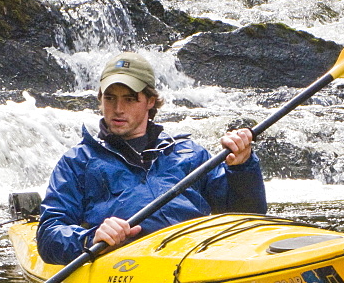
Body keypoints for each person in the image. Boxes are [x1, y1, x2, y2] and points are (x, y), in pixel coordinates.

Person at [36, 51, 267, 265]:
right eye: (110, 98)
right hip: (129, 264)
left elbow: (248, 216)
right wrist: (89, 239)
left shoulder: (190, 153)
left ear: (150, 101)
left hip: (194, 256)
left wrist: (242, 166)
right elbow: (49, 234)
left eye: (129, 99)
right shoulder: (78, 161)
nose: (117, 109)